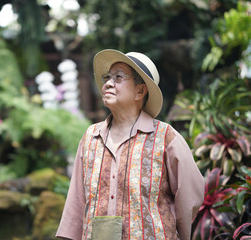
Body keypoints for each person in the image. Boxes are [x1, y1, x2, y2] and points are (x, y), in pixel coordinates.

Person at [55, 49, 205, 240]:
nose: (108, 83)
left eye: (118, 77)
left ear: (140, 90)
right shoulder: (91, 137)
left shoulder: (164, 137)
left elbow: (190, 195)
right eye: (107, 77)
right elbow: (76, 202)